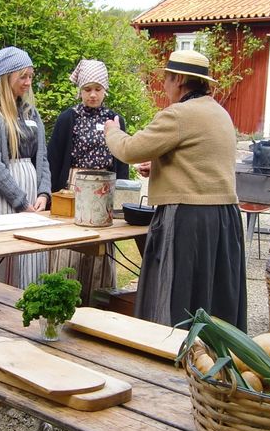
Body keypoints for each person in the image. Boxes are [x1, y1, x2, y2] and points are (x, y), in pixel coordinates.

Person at [104, 49, 247, 329]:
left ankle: (168, 358)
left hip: (189, 219)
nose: (164, 86)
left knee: (177, 300)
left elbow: (129, 149)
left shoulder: (179, 114)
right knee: (212, 300)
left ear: (179, 79)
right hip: (223, 219)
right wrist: (158, 167)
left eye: (166, 79)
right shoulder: (219, 113)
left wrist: (112, 130)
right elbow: (201, 164)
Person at [46, 58, 128, 302]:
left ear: (105, 90)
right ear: (80, 90)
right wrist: (53, 196)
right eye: (87, 89)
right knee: (72, 245)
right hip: (74, 187)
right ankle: (65, 297)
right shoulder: (67, 118)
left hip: (104, 189)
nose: (92, 95)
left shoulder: (114, 120)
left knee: (100, 243)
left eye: (97, 89)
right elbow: (54, 159)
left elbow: (122, 157)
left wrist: (121, 197)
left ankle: (98, 299)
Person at [0, 46, 51, 288]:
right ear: (6, 78)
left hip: (30, 197)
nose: (28, 82)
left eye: (31, 76)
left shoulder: (31, 112)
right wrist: (21, 201)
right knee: (4, 261)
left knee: (30, 260)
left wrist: (43, 193)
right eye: (22, 77)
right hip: (3, 199)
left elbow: (43, 157)